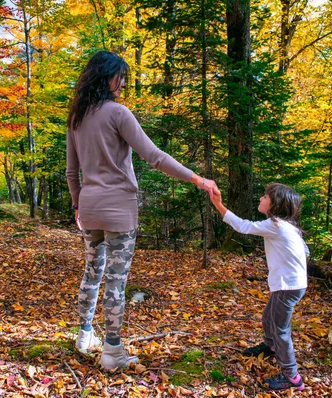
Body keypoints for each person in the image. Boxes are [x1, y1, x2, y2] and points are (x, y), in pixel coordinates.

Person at [66, 50, 219, 371]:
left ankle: (83, 335)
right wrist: (197, 178)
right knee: (115, 282)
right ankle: (111, 351)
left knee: (92, 273)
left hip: (90, 208)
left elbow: (71, 172)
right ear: (106, 76)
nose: (122, 83)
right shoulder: (118, 113)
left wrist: (78, 204)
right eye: (119, 77)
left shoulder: (77, 118)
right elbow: (155, 157)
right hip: (119, 210)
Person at [210, 183, 308, 391]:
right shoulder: (286, 226)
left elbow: (243, 226)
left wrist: (218, 204)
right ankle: (271, 346)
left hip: (287, 286)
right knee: (268, 318)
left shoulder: (276, 225)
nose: (261, 198)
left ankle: (292, 377)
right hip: (288, 284)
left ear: (276, 204)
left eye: (265, 196)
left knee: (280, 329)